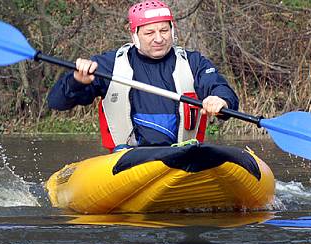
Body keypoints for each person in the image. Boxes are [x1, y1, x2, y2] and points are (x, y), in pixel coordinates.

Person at [48, 0, 239, 151]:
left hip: (184, 154)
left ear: (172, 31)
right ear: (135, 35)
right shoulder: (109, 64)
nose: (159, 38)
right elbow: (56, 102)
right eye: (149, 32)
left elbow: (218, 86)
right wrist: (76, 82)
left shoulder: (193, 62)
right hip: (128, 157)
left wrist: (220, 99)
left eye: (164, 30)